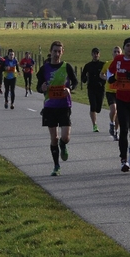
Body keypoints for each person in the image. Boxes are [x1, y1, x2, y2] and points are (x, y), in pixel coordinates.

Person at [36, 41, 78, 176]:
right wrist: (41, 88)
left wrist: (69, 88)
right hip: (50, 106)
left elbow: (75, 82)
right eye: (55, 51)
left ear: (62, 52)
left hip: (64, 105)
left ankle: (63, 144)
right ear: (51, 51)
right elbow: (38, 86)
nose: (57, 54)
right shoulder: (44, 69)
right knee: (53, 138)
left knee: (65, 137)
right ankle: (56, 166)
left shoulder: (67, 67)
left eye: (59, 51)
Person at [107, 37, 130, 173]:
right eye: (128, 46)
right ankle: (123, 160)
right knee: (124, 130)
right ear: (124, 48)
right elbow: (110, 71)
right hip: (122, 99)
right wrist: (109, 78)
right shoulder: (118, 60)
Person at [81, 47, 106, 132]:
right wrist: (85, 78)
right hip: (91, 88)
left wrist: (102, 82)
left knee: (98, 108)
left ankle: (96, 114)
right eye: (94, 53)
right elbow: (82, 77)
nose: (95, 55)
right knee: (93, 106)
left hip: (100, 89)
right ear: (92, 54)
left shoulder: (103, 64)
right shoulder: (88, 66)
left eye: (97, 53)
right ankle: (94, 125)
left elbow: (107, 76)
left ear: (99, 55)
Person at [101, 46, 121, 141]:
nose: (116, 53)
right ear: (112, 53)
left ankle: (116, 131)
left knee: (119, 114)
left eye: (118, 52)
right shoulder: (108, 64)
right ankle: (111, 123)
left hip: (120, 91)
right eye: (115, 52)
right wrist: (107, 79)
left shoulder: (123, 64)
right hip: (110, 91)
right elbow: (102, 74)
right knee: (113, 109)